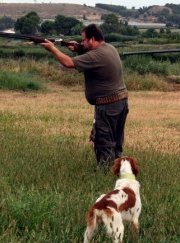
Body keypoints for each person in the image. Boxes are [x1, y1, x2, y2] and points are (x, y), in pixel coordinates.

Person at [41, 24, 129, 167]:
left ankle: (104, 173)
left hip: (108, 106)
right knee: (115, 143)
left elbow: (68, 63)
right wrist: (79, 49)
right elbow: (89, 56)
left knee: (104, 142)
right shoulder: (110, 48)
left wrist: (52, 49)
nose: (81, 42)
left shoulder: (97, 55)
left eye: (83, 40)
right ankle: (116, 171)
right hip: (120, 103)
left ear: (92, 39)